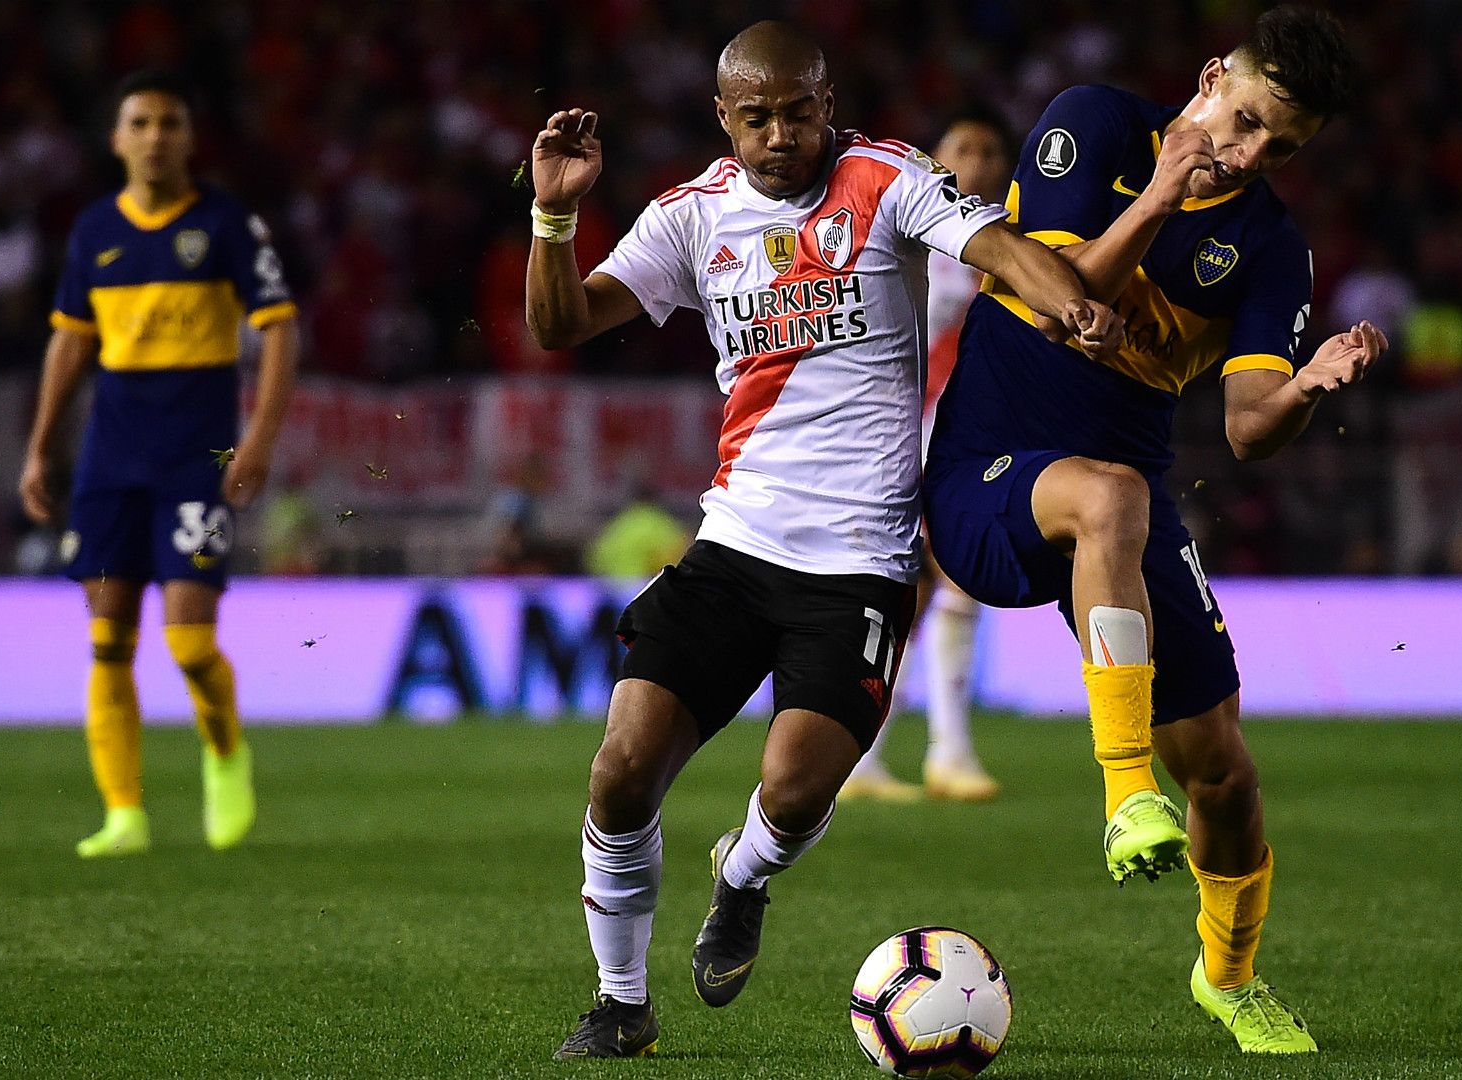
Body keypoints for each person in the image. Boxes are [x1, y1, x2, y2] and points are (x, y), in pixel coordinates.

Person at [525, 21, 1119, 1060]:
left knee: (793, 791)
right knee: (621, 771)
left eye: (798, 112)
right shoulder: (691, 217)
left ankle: (742, 878)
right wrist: (553, 215)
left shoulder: (884, 178)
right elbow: (562, 324)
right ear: (725, 119)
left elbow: (995, 248)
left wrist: (1071, 308)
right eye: (755, 117)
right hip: (734, 545)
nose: (779, 135)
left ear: (826, 102)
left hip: (858, 564)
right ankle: (621, 1003)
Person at [923, 6, 1384, 1054]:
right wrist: (1166, 192)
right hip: (983, 475)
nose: (1254, 154)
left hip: (1121, 492)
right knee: (1112, 496)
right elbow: (1055, 301)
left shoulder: (1271, 247)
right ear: (1214, 76)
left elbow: (1247, 426)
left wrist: (1306, 388)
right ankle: (1125, 790)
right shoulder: (1091, 126)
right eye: (1249, 121)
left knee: (1224, 770)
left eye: (1284, 147)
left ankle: (1229, 978)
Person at [16, 70, 300, 858]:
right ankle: (124, 814)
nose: (154, 136)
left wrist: (261, 439)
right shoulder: (93, 231)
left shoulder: (226, 224)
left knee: (188, 644)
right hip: (111, 461)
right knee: (108, 641)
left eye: (169, 122)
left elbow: (279, 328)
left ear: (189, 137)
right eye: (138, 122)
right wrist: (40, 446)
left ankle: (223, 751)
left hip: (192, 461)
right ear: (116, 138)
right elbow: (71, 341)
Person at [841, 106, 1017, 804]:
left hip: (964, 434)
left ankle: (878, 759)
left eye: (990, 150)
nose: (978, 162)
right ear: (937, 161)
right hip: (912, 436)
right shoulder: (922, 239)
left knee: (922, 593)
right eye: (963, 147)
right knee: (934, 587)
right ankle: (942, 753)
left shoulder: (1007, 244)